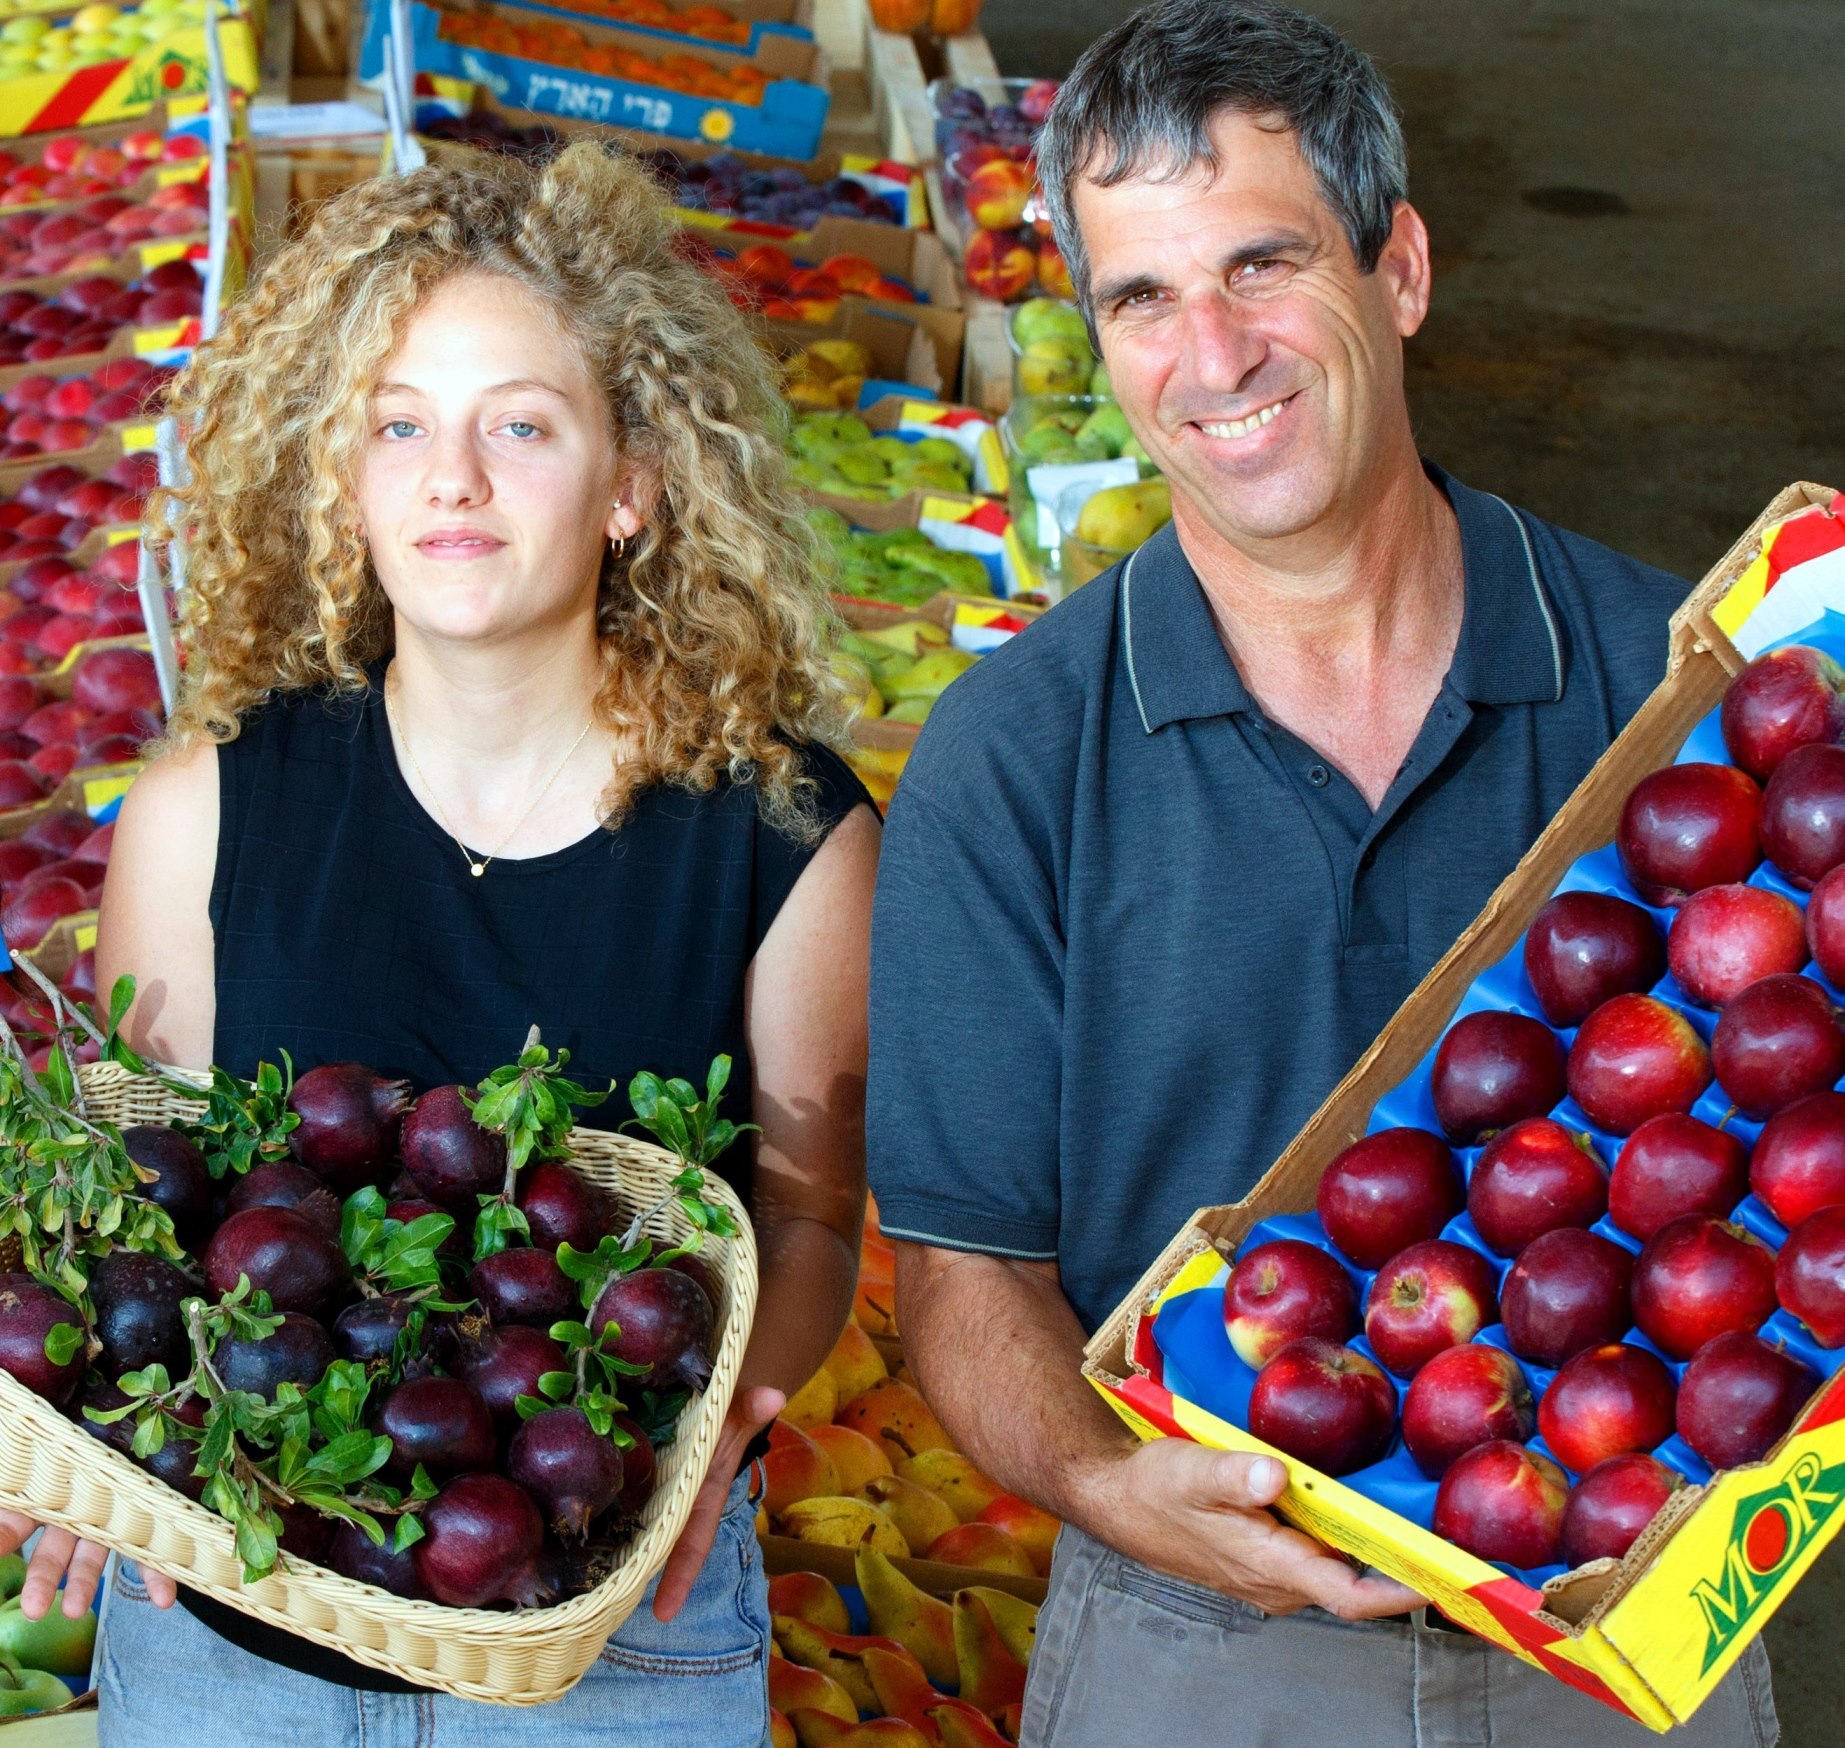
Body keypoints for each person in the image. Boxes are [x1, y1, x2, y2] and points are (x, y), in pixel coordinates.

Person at [865, 4, 1778, 1745]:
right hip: (1198, 1626)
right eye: (1140, 297)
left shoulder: (1672, 687)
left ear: (1401, 270)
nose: (1209, 354)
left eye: (1262, 264)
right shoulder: (1011, 753)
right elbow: (965, 1269)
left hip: (1623, 1587)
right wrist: (1095, 1475)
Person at [0, 143, 879, 1747]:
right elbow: (144, 1210)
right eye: (398, 424)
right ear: (343, 474)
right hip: (233, 1639)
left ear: (634, 481)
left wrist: (718, 1427)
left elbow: (809, 1219)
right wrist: (92, 1425)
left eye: (520, 427)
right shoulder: (204, 813)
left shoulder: (785, 837)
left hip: (618, 1622)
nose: (449, 478)